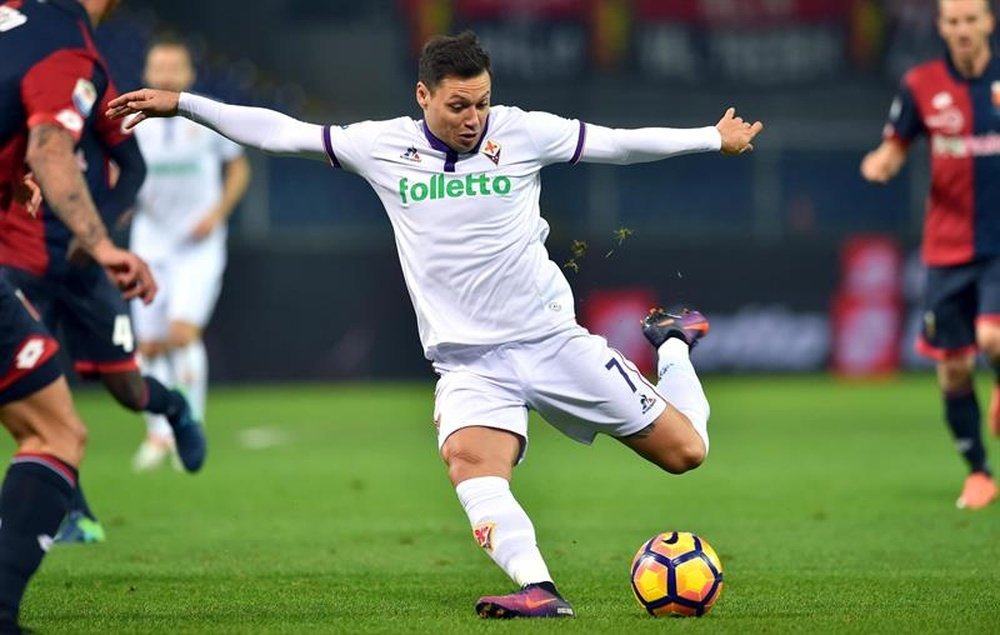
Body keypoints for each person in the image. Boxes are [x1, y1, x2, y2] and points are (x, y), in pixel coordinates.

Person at [108, 31, 762, 618]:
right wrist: (183, 103)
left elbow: (618, 146)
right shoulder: (381, 146)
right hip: (468, 362)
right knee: (469, 459)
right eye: (458, 105)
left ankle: (674, 343)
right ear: (424, 95)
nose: (474, 118)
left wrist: (712, 137)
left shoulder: (523, 132)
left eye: (481, 102)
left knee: (686, 453)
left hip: (552, 343)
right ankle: (538, 588)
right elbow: (281, 132)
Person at [0, 16, 209, 544]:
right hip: (17, 261)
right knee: (38, 389)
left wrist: (99, 233)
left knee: (125, 385)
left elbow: (131, 167)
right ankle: (75, 514)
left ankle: (173, 407)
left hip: (86, 262)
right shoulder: (14, 78)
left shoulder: (84, 82)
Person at [0, 0, 158, 630]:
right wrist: (101, 244)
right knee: (56, 432)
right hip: (41, 260)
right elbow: (49, 146)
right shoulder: (65, 43)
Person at [861, 0, 999, 510]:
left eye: (971, 19)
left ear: (989, 22)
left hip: (998, 246)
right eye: (953, 21)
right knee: (954, 370)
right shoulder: (921, 84)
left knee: (992, 336)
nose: (962, 29)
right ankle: (979, 473)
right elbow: (895, 146)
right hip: (946, 252)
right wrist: (880, 164)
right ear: (941, 27)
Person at [128, 35, 251, 471]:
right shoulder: (132, 123)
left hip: (197, 246)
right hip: (149, 244)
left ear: (188, 74)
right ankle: (158, 434)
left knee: (181, 334)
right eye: (157, 67)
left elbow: (239, 166)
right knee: (148, 344)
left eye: (173, 67)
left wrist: (217, 213)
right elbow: (118, 172)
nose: (164, 74)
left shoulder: (203, 117)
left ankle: (190, 425)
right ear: (146, 72)